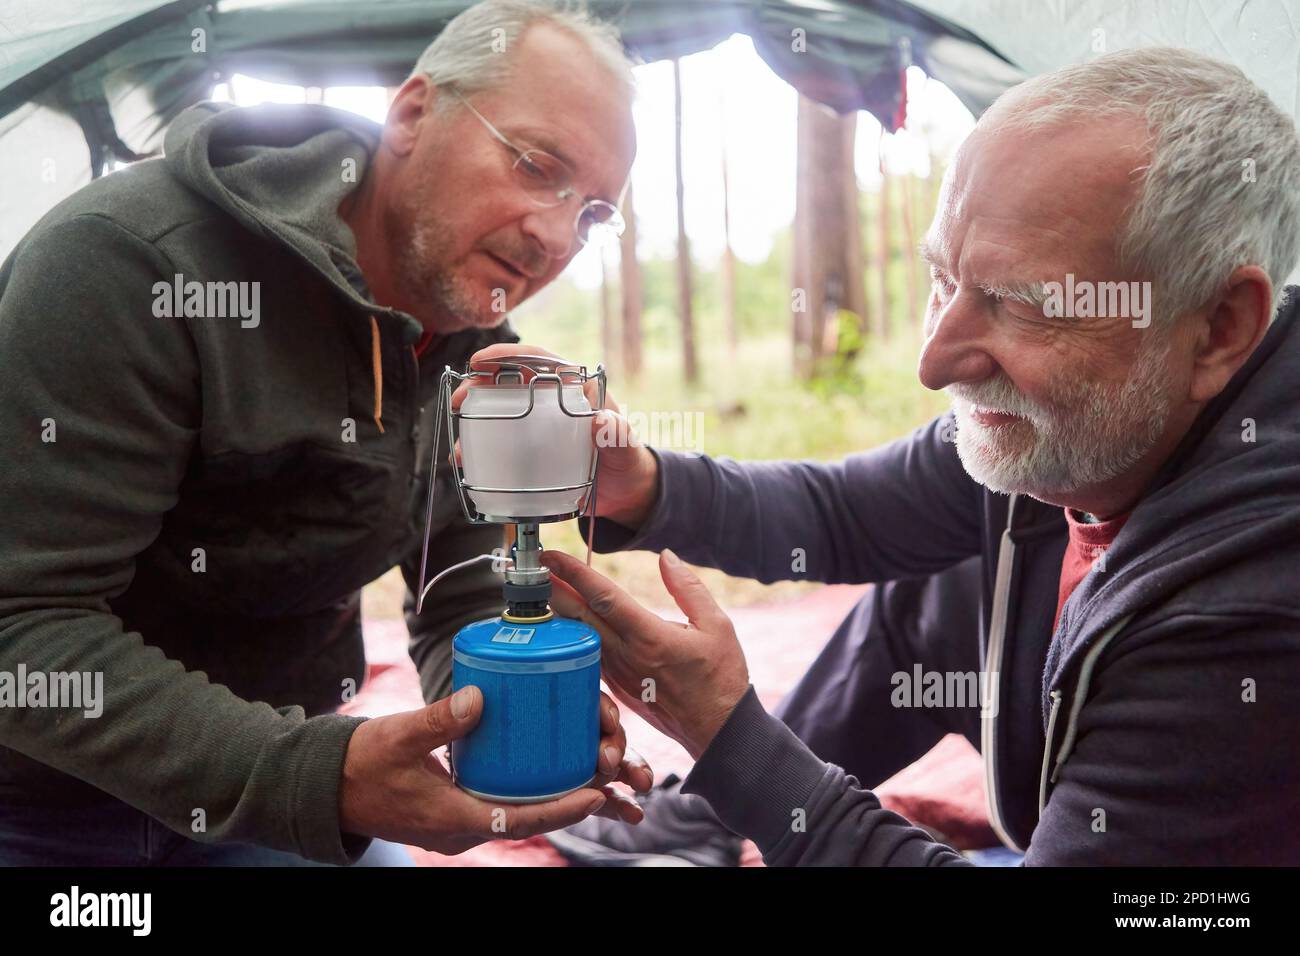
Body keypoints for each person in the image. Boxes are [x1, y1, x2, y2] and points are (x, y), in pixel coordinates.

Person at [483, 46, 1300, 865]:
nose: (934, 361)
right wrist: (644, 486)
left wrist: (735, 746)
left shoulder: (1252, 608)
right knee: (946, 590)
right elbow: (847, 512)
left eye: (1021, 304)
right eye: (944, 280)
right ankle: (704, 830)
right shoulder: (1092, 424)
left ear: (1221, 326)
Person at [0, 0, 652, 867]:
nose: (553, 235)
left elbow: (456, 576)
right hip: (44, 801)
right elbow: (22, 623)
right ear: (414, 113)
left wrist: (514, 705)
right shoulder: (133, 265)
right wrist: (319, 779)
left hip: (272, 795)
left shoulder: (478, 358)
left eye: (594, 212)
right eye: (535, 165)